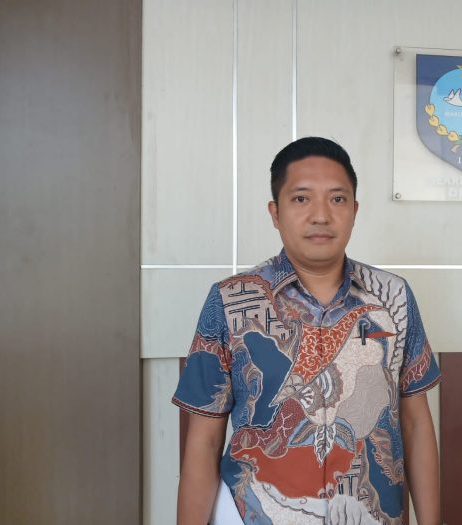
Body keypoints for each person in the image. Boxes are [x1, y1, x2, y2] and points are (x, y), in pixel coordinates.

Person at [173, 137, 441, 525]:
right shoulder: (231, 301)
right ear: (275, 212)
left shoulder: (392, 297)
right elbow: (205, 439)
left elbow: (415, 424)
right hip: (256, 514)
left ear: (354, 210)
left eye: (337, 199)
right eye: (301, 198)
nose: (320, 215)